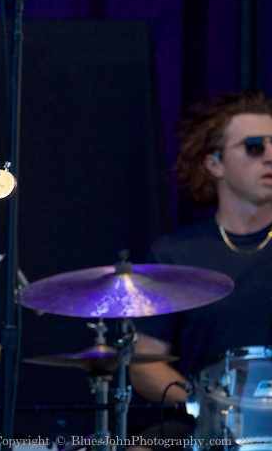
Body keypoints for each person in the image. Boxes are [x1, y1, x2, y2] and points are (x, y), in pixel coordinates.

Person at [128, 90, 272, 444]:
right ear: (214, 164)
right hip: (206, 429)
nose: (270, 156)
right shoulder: (175, 254)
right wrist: (205, 404)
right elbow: (146, 363)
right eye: (254, 146)